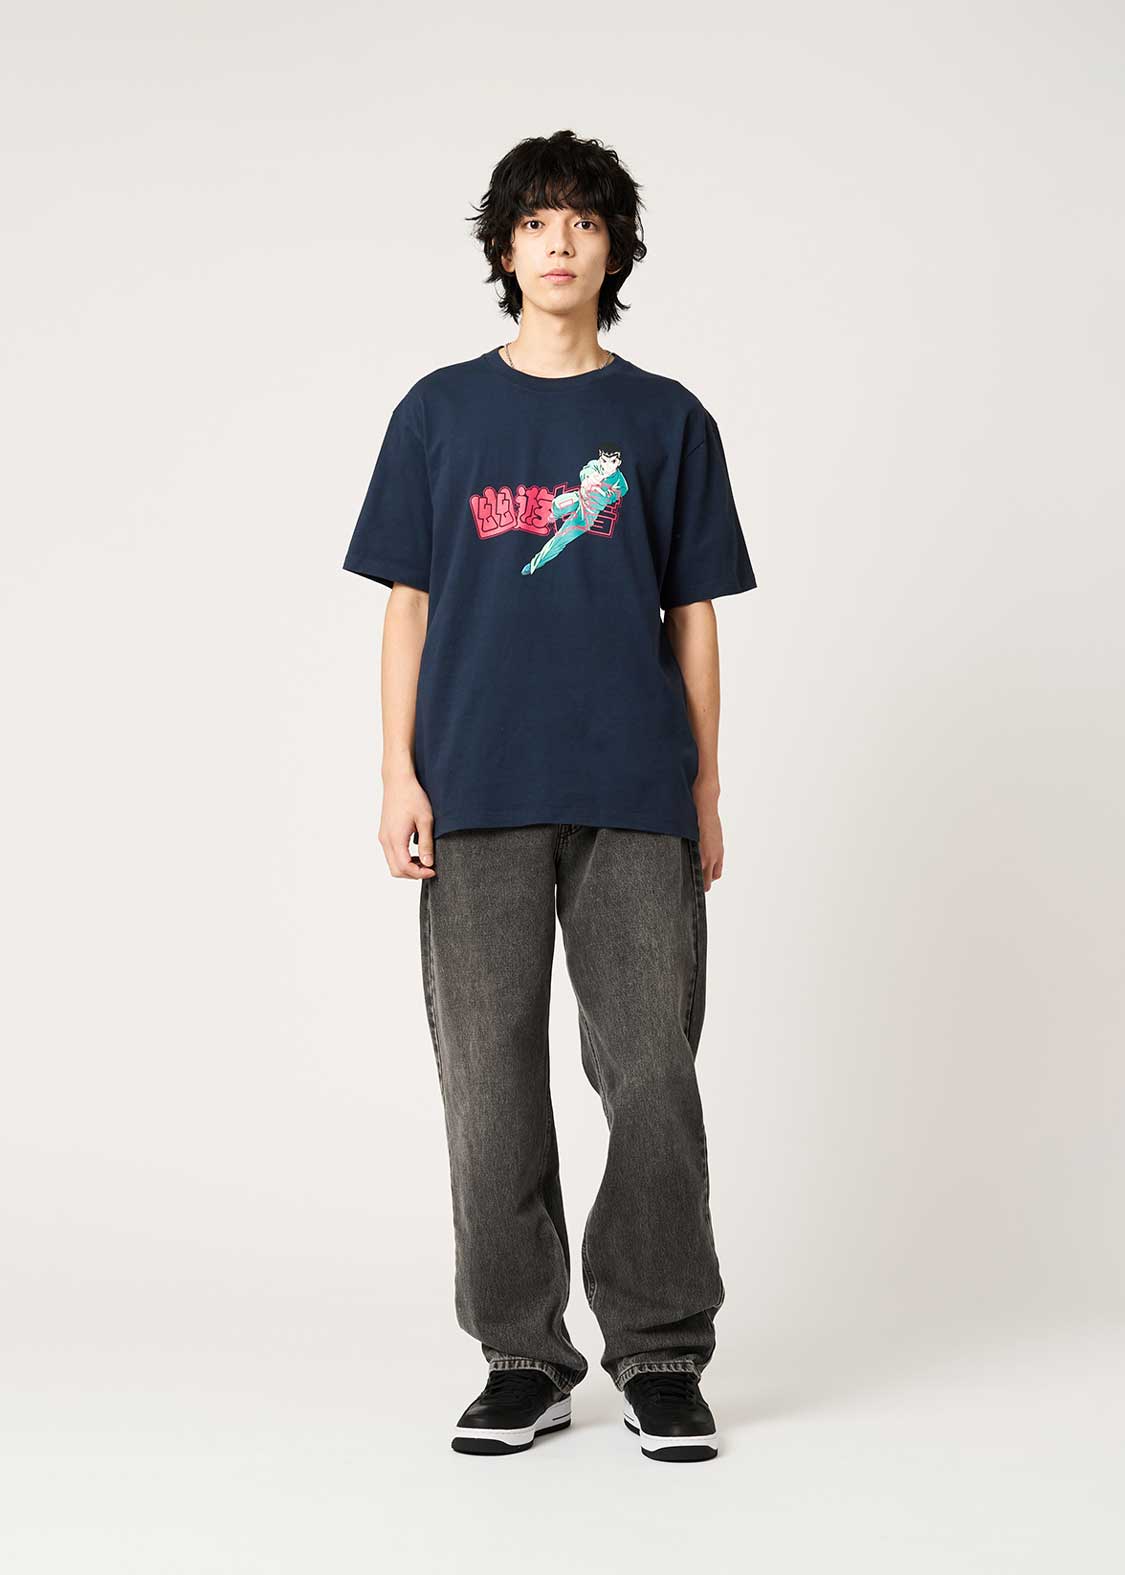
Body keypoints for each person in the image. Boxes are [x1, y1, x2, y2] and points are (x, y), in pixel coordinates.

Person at [342, 129, 757, 1463]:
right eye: (535, 222)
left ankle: (661, 1352)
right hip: (474, 787)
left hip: (634, 786)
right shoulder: (439, 414)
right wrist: (397, 770)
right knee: (490, 1080)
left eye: (583, 221)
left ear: (614, 248)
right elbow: (408, 606)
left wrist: (704, 786)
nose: (560, 242)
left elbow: (694, 618)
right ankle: (520, 1355)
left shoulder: (667, 421)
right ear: (505, 250)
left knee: (651, 1074)